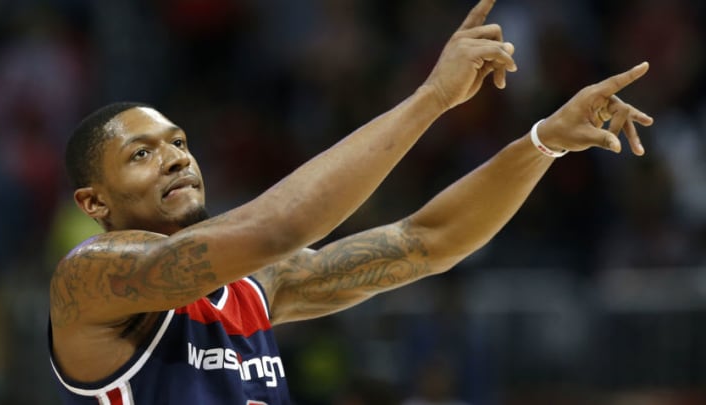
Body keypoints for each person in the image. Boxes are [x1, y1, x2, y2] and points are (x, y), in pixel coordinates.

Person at [48, 0, 653, 404]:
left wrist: (542, 142)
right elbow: (278, 226)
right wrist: (432, 99)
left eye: (179, 143)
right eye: (142, 154)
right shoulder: (93, 278)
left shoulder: (257, 288)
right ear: (93, 201)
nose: (177, 157)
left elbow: (426, 242)